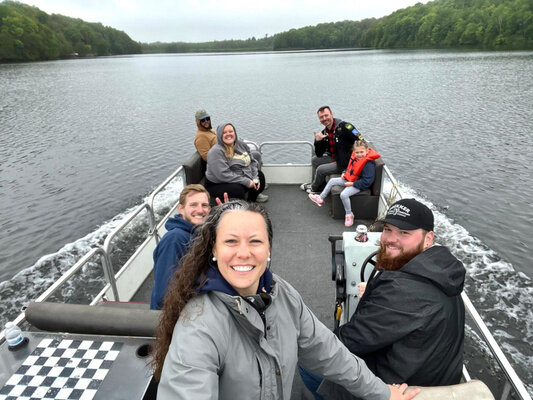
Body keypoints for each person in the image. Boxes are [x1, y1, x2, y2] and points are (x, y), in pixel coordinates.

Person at [152, 200, 419, 400]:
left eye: (255, 241)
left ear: (269, 248)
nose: (243, 253)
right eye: (231, 242)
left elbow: (329, 352)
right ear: (214, 249)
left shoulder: (283, 295)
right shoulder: (198, 325)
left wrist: (382, 392)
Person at [303, 199, 465, 399]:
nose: (390, 239)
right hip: (434, 373)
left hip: (407, 385)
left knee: (310, 362)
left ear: (428, 238)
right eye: (388, 229)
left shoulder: (403, 291)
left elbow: (347, 342)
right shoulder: (441, 272)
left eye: (404, 233)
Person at [150, 184, 210, 310]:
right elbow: (164, 295)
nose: (200, 210)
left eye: (204, 205)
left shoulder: (200, 234)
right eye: (193, 205)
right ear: (181, 209)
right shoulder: (175, 240)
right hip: (173, 317)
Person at [193, 110, 268, 202]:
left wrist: (254, 177)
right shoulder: (211, 147)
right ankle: (240, 207)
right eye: (224, 132)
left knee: (260, 177)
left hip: (234, 171)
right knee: (238, 190)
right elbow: (222, 173)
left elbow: (252, 161)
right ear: (220, 135)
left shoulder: (240, 144)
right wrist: (246, 181)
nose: (206, 121)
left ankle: (251, 201)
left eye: (230, 131)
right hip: (217, 181)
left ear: (235, 133)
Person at [308, 140, 380, 227]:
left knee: (344, 194)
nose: (359, 154)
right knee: (332, 181)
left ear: (367, 151)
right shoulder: (355, 158)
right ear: (354, 152)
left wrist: (352, 184)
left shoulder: (368, 164)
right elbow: (350, 167)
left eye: (362, 152)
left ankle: (349, 214)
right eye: (357, 152)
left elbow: (367, 181)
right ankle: (321, 198)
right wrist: (344, 172)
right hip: (350, 179)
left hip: (359, 185)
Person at [301, 106, 363, 194]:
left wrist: (354, 158)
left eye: (326, 115)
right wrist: (318, 141)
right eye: (321, 117)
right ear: (319, 120)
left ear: (332, 115)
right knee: (315, 160)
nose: (324, 118)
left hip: (345, 163)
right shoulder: (324, 133)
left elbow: (361, 140)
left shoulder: (346, 127)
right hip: (335, 158)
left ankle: (315, 188)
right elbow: (319, 154)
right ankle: (320, 184)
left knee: (321, 170)